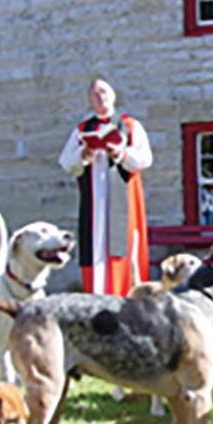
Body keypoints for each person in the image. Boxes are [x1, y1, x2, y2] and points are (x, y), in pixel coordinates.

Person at [58, 78, 152, 296]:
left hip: (122, 200)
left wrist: (120, 153)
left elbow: (145, 159)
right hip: (93, 203)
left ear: (113, 95)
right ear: (89, 100)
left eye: (104, 92)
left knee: (124, 248)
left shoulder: (130, 125)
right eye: (95, 94)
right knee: (95, 248)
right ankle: (96, 299)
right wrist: (84, 154)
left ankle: (124, 298)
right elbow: (66, 162)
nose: (100, 97)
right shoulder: (82, 130)